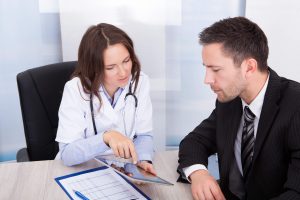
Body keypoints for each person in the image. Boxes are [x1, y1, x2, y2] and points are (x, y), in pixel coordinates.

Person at [177, 17, 300, 200]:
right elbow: (194, 142)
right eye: (206, 68)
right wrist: (199, 173)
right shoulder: (230, 100)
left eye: (216, 70)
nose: (207, 80)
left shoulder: (295, 105)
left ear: (249, 67)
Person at [55, 23, 156, 175]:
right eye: (111, 67)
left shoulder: (139, 82)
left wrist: (142, 160)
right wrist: (106, 137)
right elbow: (67, 155)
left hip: (123, 168)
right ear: (93, 68)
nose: (123, 72)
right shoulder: (75, 89)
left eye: (126, 61)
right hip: (83, 170)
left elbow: (144, 134)